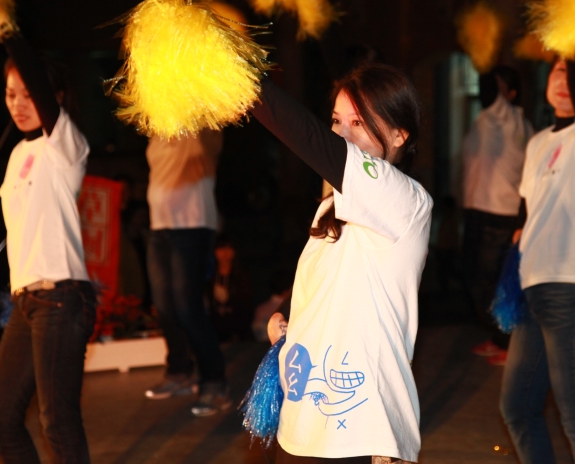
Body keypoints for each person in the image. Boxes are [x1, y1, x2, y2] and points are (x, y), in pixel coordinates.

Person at [257, 63, 432, 463]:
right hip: (303, 425)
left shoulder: (407, 201)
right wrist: (285, 315)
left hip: (363, 433)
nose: (342, 133)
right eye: (337, 121)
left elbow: (311, 139)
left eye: (359, 122)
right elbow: (327, 278)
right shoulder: (329, 207)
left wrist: (242, 81)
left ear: (399, 135)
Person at [0, 21, 96, 463]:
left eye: (28, 94)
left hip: (61, 298)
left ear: (54, 98)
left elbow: (43, 97)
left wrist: (10, 33)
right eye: (10, 94)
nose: (18, 104)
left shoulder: (64, 145)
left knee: (56, 420)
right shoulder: (17, 154)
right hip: (25, 303)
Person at [500, 57, 575, 464]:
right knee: (517, 406)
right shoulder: (537, 142)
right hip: (534, 287)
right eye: (556, 70)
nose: (564, 79)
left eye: (572, 71)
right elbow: (528, 212)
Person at [143, 129, 231, 416]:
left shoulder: (200, 123)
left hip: (193, 224)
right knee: (165, 307)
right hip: (159, 226)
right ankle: (180, 371)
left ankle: (215, 382)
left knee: (188, 308)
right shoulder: (157, 125)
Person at [462, 66, 533, 365]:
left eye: (501, 87)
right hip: (482, 209)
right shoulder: (493, 120)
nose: (493, 94)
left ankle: (510, 341)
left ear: (511, 94)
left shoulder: (510, 118)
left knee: (487, 282)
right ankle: (500, 337)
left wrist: (484, 60)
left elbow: (488, 89)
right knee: (480, 279)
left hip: (497, 212)